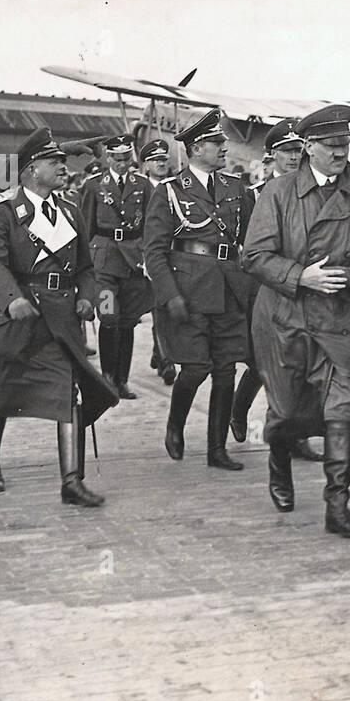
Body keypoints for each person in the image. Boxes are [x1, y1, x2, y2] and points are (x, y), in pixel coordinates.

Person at [241, 104, 350, 539]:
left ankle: (338, 506)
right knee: (287, 410)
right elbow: (253, 256)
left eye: (344, 145)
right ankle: (279, 463)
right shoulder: (278, 193)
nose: (339, 154)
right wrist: (300, 276)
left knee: (342, 409)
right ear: (308, 147)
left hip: (338, 319)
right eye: (330, 146)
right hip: (283, 319)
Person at [0, 127, 118, 506]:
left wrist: (87, 297)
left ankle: (72, 480)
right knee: (1, 392)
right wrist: (11, 299)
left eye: (61, 160)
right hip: (17, 316)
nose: (62, 167)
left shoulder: (70, 211)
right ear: (30, 170)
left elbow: (87, 267)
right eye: (53, 162)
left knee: (69, 391)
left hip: (61, 316)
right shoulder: (2, 213)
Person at [143, 108, 255, 472]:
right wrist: (169, 294)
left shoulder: (236, 189)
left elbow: (250, 243)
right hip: (188, 290)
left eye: (222, 141)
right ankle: (175, 426)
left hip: (230, 288)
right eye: (214, 142)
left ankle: (216, 449)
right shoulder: (170, 191)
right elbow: (155, 251)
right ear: (194, 149)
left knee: (226, 370)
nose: (223, 148)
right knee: (194, 368)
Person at [230, 118, 321, 462]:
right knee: (261, 362)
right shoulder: (253, 196)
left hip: (304, 288)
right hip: (262, 291)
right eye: (286, 151)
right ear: (271, 156)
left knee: (305, 362)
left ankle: (297, 437)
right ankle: (240, 411)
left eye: (299, 150)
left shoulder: (315, 193)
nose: (294, 157)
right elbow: (245, 248)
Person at [79, 132, 155, 399]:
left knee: (128, 322)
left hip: (133, 262)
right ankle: (108, 377)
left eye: (127, 158)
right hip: (105, 264)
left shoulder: (144, 186)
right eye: (118, 159)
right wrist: (83, 269)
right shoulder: (93, 186)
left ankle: (121, 380)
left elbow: (151, 224)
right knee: (109, 318)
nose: (123, 164)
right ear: (109, 157)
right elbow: (85, 228)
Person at [137, 138, 179, 385]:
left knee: (165, 310)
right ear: (146, 165)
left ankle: (161, 353)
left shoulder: (177, 187)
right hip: (147, 257)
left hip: (173, 255)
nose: (161, 164)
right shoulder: (139, 189)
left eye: (164, 159)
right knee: (158, 309)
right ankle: (165, 359)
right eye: (155, 160)